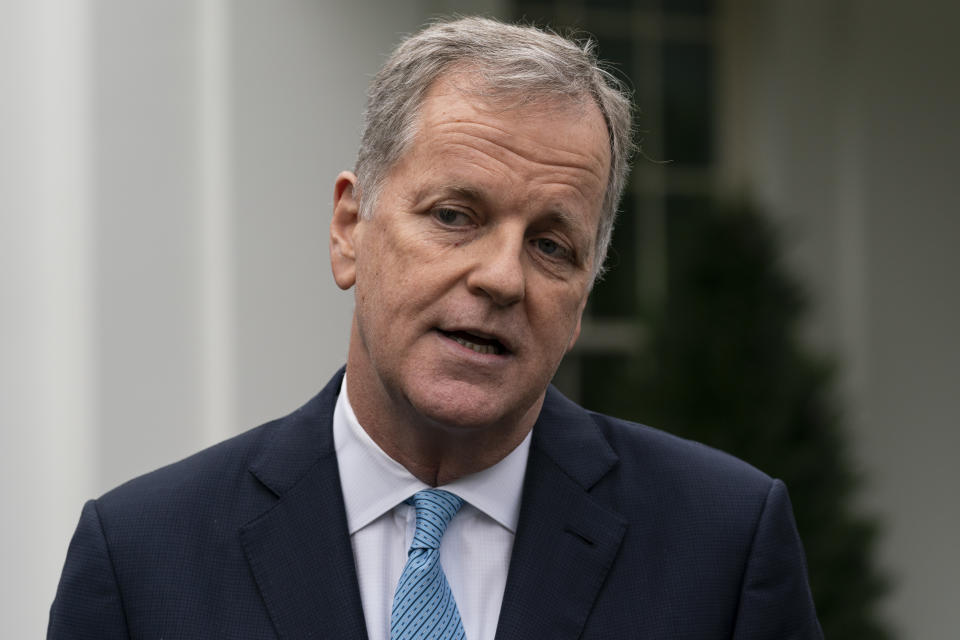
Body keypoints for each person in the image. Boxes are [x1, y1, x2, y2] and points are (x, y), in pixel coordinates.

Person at [49, 16, 822, 640]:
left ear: (585, 292)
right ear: (350, 228)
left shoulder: (721, 547)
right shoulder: (144, 561)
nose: (501, 277)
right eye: (455, 216)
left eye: (552, 245)